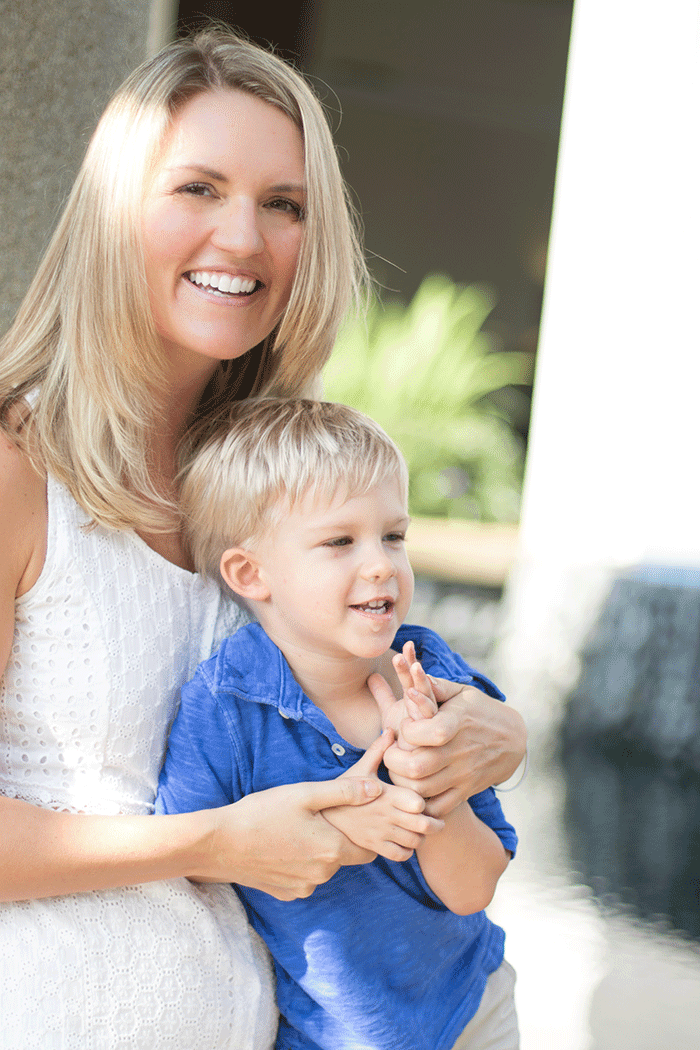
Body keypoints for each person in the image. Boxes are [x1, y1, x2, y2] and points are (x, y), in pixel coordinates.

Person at [0, 27, 526, 1049]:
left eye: (282, 204)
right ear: (114, 211)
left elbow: (360, 701)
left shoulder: (274, 490)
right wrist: (218, 840)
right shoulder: (18, 470)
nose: (243, 239)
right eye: (197, 188)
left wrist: (496, 738)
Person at [157, 397, 520, 1050]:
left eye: (394, 536)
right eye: (340, 541)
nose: (381, 562)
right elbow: (189, 859)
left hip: (474, 1009)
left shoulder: (435, 679)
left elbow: (473, 889)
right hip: (337, 1036)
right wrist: (329, 830)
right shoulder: (229, 704)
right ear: (251, 573)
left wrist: (428, 789)